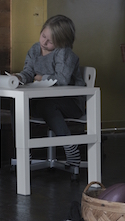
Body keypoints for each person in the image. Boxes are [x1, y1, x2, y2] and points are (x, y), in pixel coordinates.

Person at [15, 14, 85, 166]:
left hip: (70, 103)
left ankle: (70, 146)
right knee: (17, 104)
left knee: (48, 104)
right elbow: (28, 72)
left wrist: (40, 77)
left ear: (62, 42)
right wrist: (20, 77)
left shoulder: (64, 54)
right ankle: (23, 150)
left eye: (50, 42)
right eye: (43, 36)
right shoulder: (35, 49)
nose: (44, 42)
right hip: (43, 100)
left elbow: (62, 79)